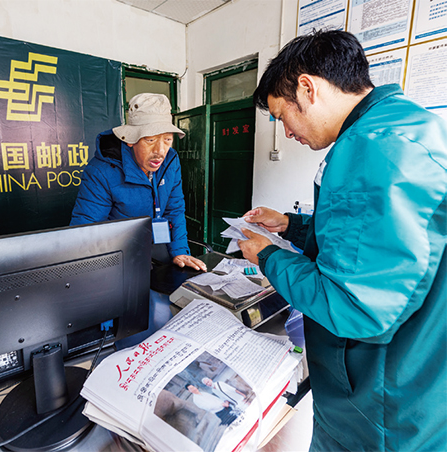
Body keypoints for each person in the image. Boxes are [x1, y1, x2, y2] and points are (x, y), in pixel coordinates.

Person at [237, 30, 446, 452]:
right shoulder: (407, 125)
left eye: (281, 116)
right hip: (420, 387)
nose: (287, 132)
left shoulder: (371, 150)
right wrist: (290, 225)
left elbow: (351, 305)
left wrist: (268, 256)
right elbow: (367, 240)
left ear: (307, 88)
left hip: (379, 405)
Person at [70, 93, 206, 346]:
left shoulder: (171, 161)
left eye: (167, 140)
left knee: (168, 311)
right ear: (130, 139)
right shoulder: (102, 171)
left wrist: (179, 250)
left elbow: (174, 208)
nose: (160, 151)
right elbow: (85, 232)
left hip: (157, 246)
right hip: (118, 256)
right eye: (150, 140)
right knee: (135, 326)